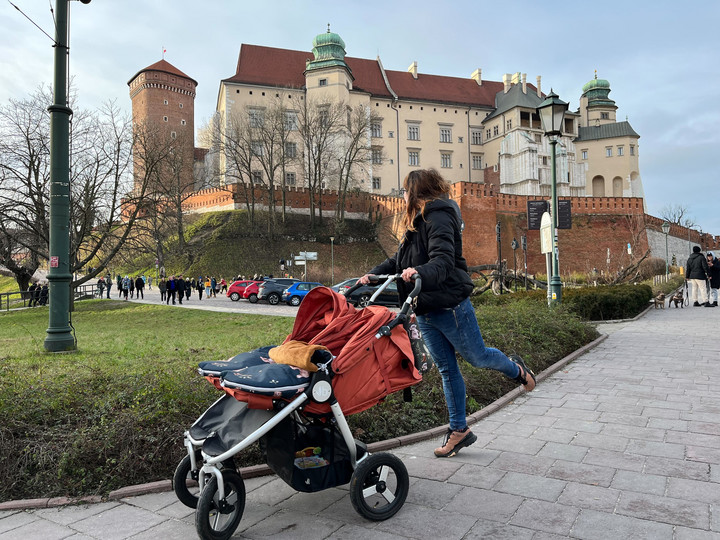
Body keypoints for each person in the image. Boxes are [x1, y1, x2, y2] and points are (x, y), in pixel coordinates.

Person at [360, 169, 536, 458]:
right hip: (425, 309)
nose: (402, 196)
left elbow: (441, 262)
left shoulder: (439, 216)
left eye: (405, 190)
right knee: (446, 369)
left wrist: (419, 271)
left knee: (477, 358)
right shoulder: (416, 221)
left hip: (450, 306)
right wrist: (373, 274)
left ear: (416, 192)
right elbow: (399, 259)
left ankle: (517, 369)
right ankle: (459, 431)